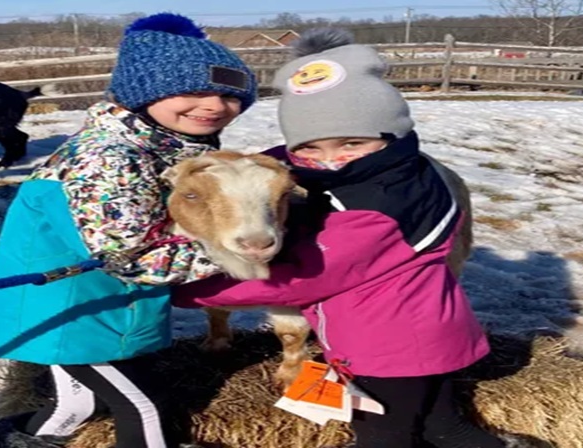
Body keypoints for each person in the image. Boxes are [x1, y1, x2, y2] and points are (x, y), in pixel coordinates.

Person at [172, 29, 510, 448]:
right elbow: (283, 161)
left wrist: (182, 292)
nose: (330, 159)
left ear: (390, 134)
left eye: (351, 142)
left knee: (383, 436)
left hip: (388, 353)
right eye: (311, 147)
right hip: (428, 338)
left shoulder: (378, 210)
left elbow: (301, 279)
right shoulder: (390, 170)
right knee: (444, 426)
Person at [0, 13, 257, 448]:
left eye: (231, 96)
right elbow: (132, 257)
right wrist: (240, 252)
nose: (215, 105)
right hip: (72, 313)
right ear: (144, 92)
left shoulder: (158, 145)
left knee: (79, 405)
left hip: (94, 308)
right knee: (145, 405)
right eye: (194, 90)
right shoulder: (109, 158)